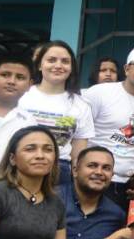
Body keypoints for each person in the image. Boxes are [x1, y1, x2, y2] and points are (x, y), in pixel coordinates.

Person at [83, 45, 134, 212]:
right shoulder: (99, 93)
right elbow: (79, 135)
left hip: (124, 187)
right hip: (88, 180)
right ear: (127, 68)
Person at [19, 41, 94, 187]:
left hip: (59, 172)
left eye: (65, 61)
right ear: (40, 65)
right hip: (20, 166)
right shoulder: (21, 96)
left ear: (71, 68)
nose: (58, 65)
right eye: (51, 60)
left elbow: (78, 154)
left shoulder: (81, 105)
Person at [0, 54, 35, 174]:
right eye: (5, 75)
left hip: (3, 189)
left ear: (29, 85)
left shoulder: (29, 123)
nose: (11, 81)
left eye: (20, 77)